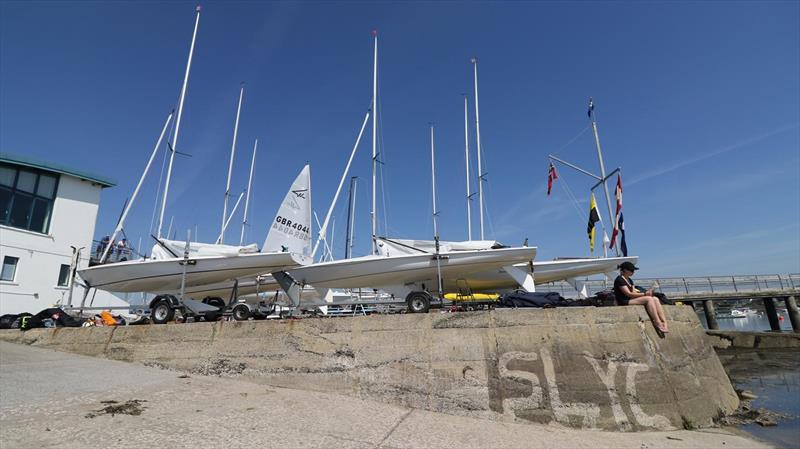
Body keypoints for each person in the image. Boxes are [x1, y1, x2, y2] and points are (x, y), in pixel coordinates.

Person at [614, 261, 669, 334]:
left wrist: (648, 292)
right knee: (649, 299)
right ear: (626, 270)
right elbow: (629, 294)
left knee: (655, 298)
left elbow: (634, 292)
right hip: (624, 300)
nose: (633, 272)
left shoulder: (629, 280)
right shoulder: (619, 279)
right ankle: (657, 321)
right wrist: (645, 294)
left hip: (631, 299)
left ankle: (664, 321)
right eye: (632, 270)